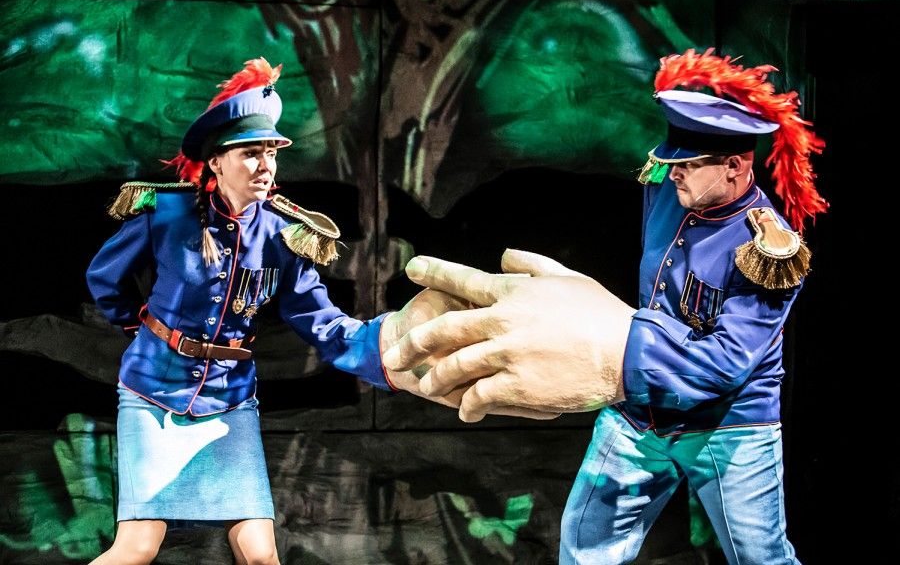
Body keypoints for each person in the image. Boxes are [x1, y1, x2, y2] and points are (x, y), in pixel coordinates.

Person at [85, 57, 548, 565]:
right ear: (216, 162)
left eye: (271, 153)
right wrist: (143, 331)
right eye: (250, 153)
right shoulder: (167, 214)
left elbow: (321, 323)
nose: (265, 165)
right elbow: (106, 279)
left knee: (260, 555)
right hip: (152, 394)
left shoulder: (284, 235)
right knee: (138, 548)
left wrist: (389, 342)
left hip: (229, 401)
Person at [384, 48, 827, 564]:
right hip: (641, 413)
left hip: (727, 424)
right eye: (672, 162)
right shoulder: (669, 191)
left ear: (733, 166)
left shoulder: (767, 250)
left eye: (688, 165)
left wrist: (615, 342)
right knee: (585, 550)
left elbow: (725, 364)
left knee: (760, 558)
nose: (673, 173)